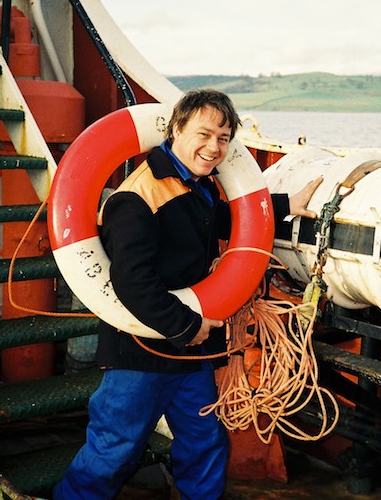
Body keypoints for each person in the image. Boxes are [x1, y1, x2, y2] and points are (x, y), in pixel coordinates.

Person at [53, 89, 322, 500]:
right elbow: (132, 283)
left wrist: (283, 204)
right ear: (176, 128)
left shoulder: (195, 185)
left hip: (191, 349)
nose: (214, 147)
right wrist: (186, 326)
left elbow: (217, 220)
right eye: (204, 134)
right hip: (143, 350)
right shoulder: (136, 198)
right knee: (114, 449)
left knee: (204, 441)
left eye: (223, 137)